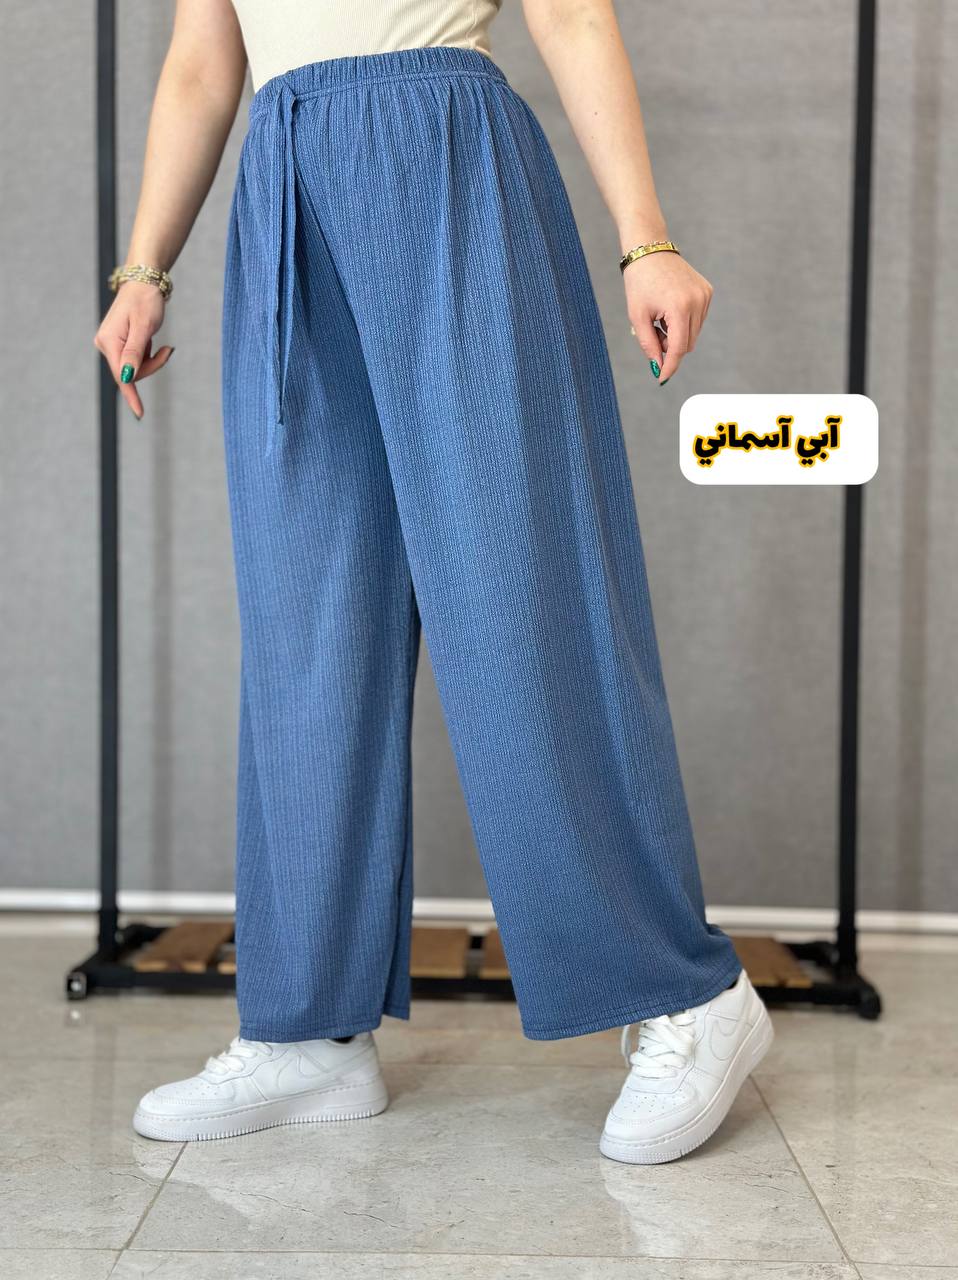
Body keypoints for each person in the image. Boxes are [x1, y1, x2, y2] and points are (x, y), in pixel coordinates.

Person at [95, 0, 772, 1164]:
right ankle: (310, 1023)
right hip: (284, 180)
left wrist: (646, 239)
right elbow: (203, 62)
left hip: (446, 152)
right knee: (309, 615)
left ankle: (688, 994)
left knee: (520, 595)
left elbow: (569, 11)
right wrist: (144, 266)